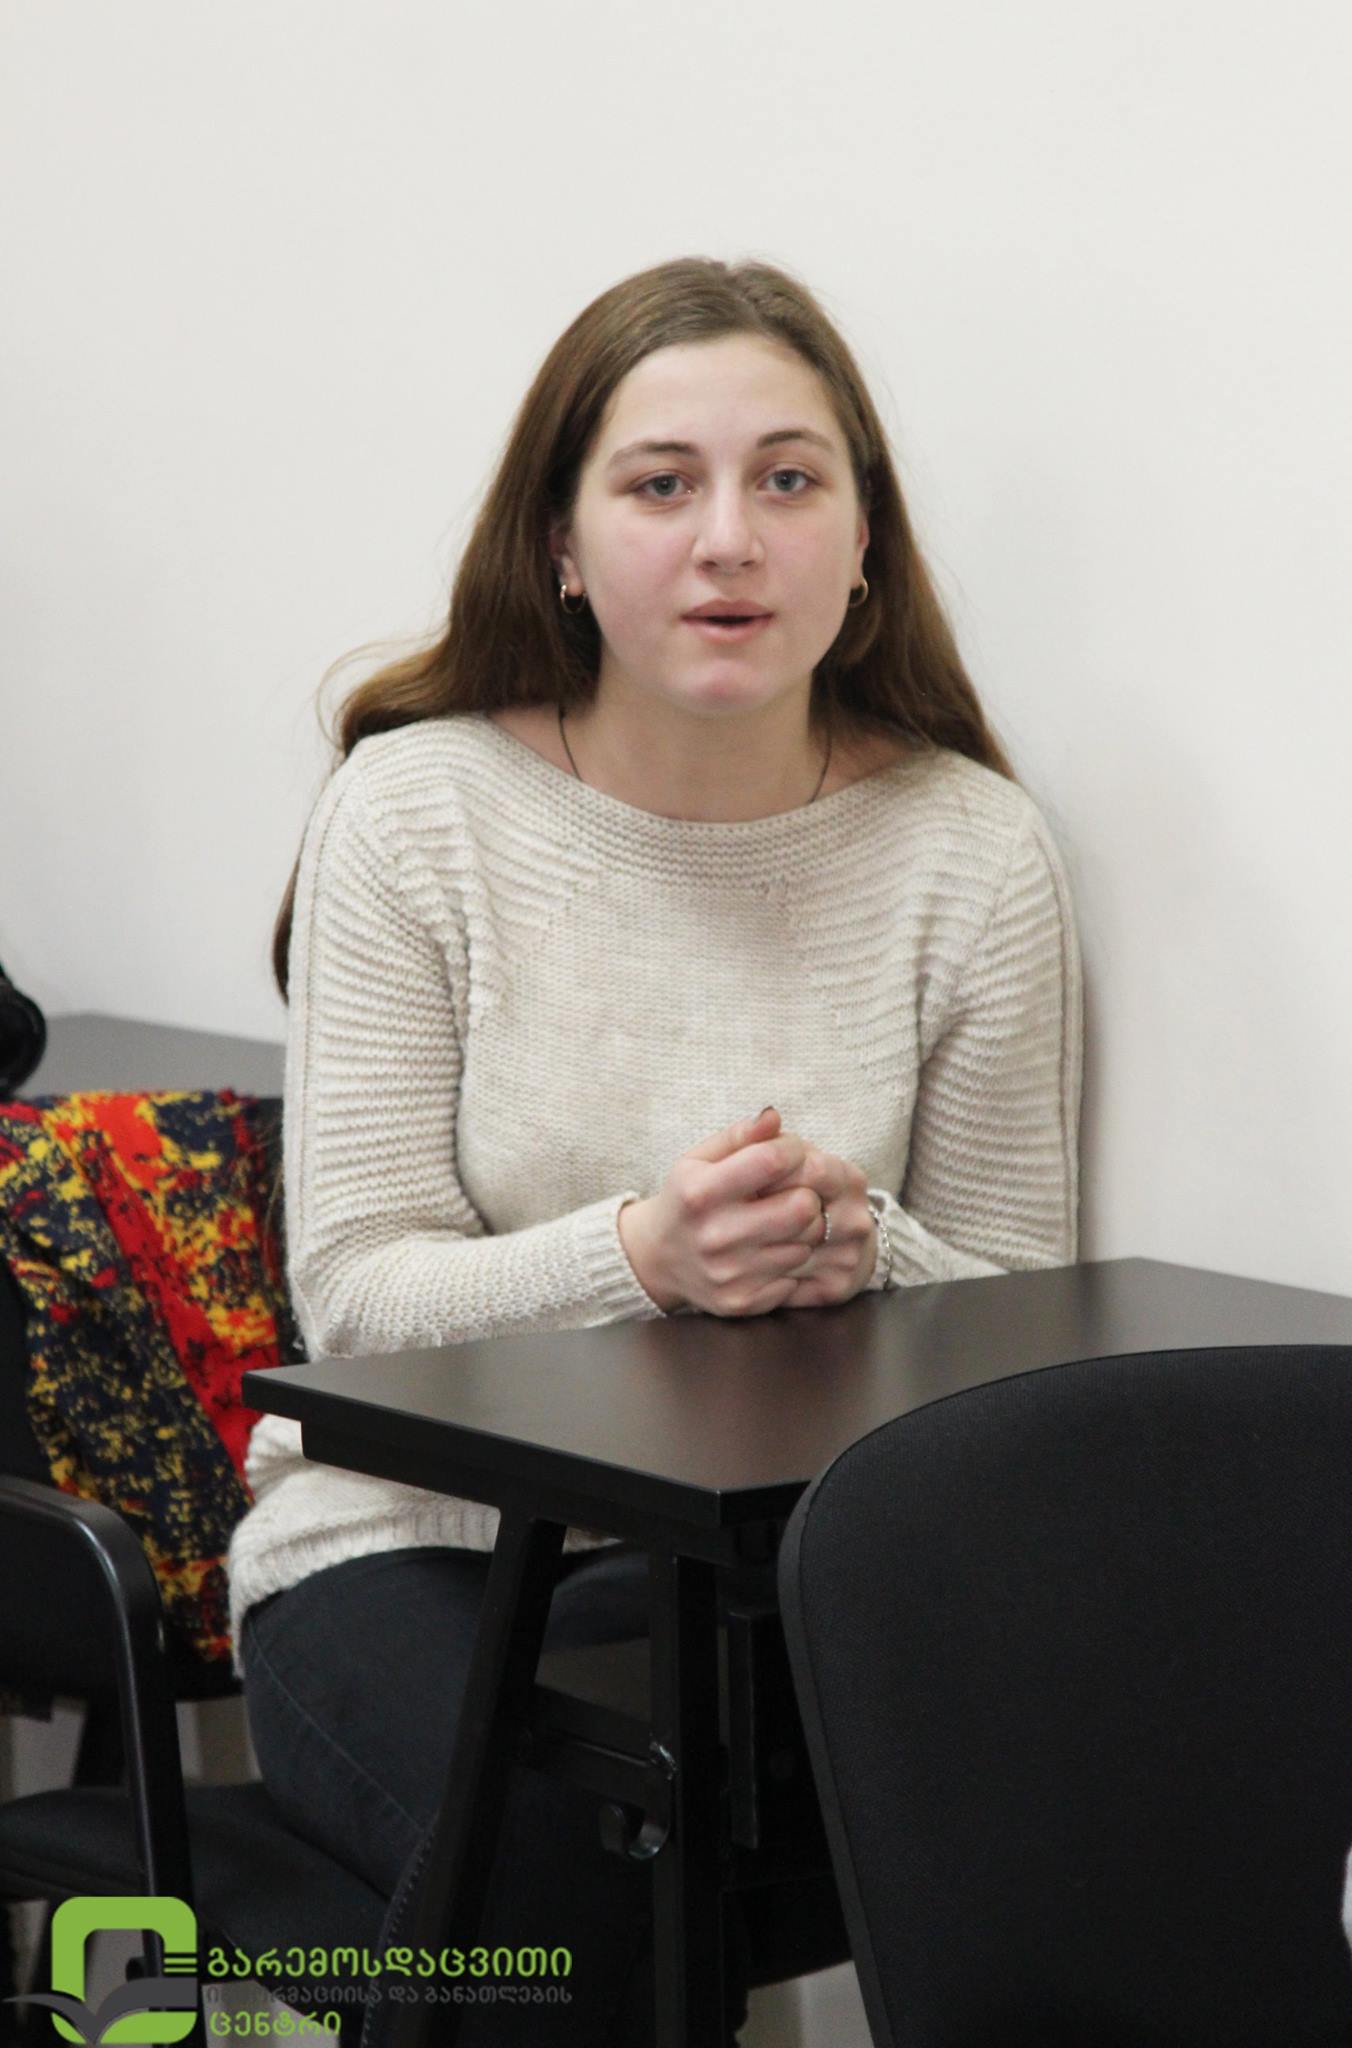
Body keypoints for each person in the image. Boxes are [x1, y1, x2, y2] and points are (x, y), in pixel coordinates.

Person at [225, 253, 1083, 2045]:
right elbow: (357, 1298)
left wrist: (861, 1249)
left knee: (1087, 1786)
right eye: (660, 483)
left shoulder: (969, 849)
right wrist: (639, 1258)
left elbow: (1026, 1330)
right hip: (407, 1547)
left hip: (774, 1571)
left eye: (788, 479)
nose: (728, 542)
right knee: (565, 1853)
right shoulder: (419, 807)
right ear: (560, 541)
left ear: (863, 540)